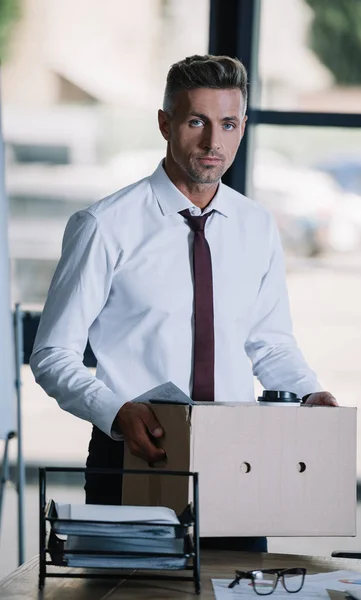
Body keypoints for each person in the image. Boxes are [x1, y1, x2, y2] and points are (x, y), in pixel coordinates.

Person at [30, 54, 337, 552]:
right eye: (197, 121)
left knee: (236, 587)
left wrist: (309, 393)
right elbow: (52, 355)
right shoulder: (105, 226)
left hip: (237, 459)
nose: (214, 142)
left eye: (229, 124)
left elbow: (269, 342)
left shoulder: (256, 226)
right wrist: (115, 412)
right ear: (165, 123)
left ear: (241, 129)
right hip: (132, 451)